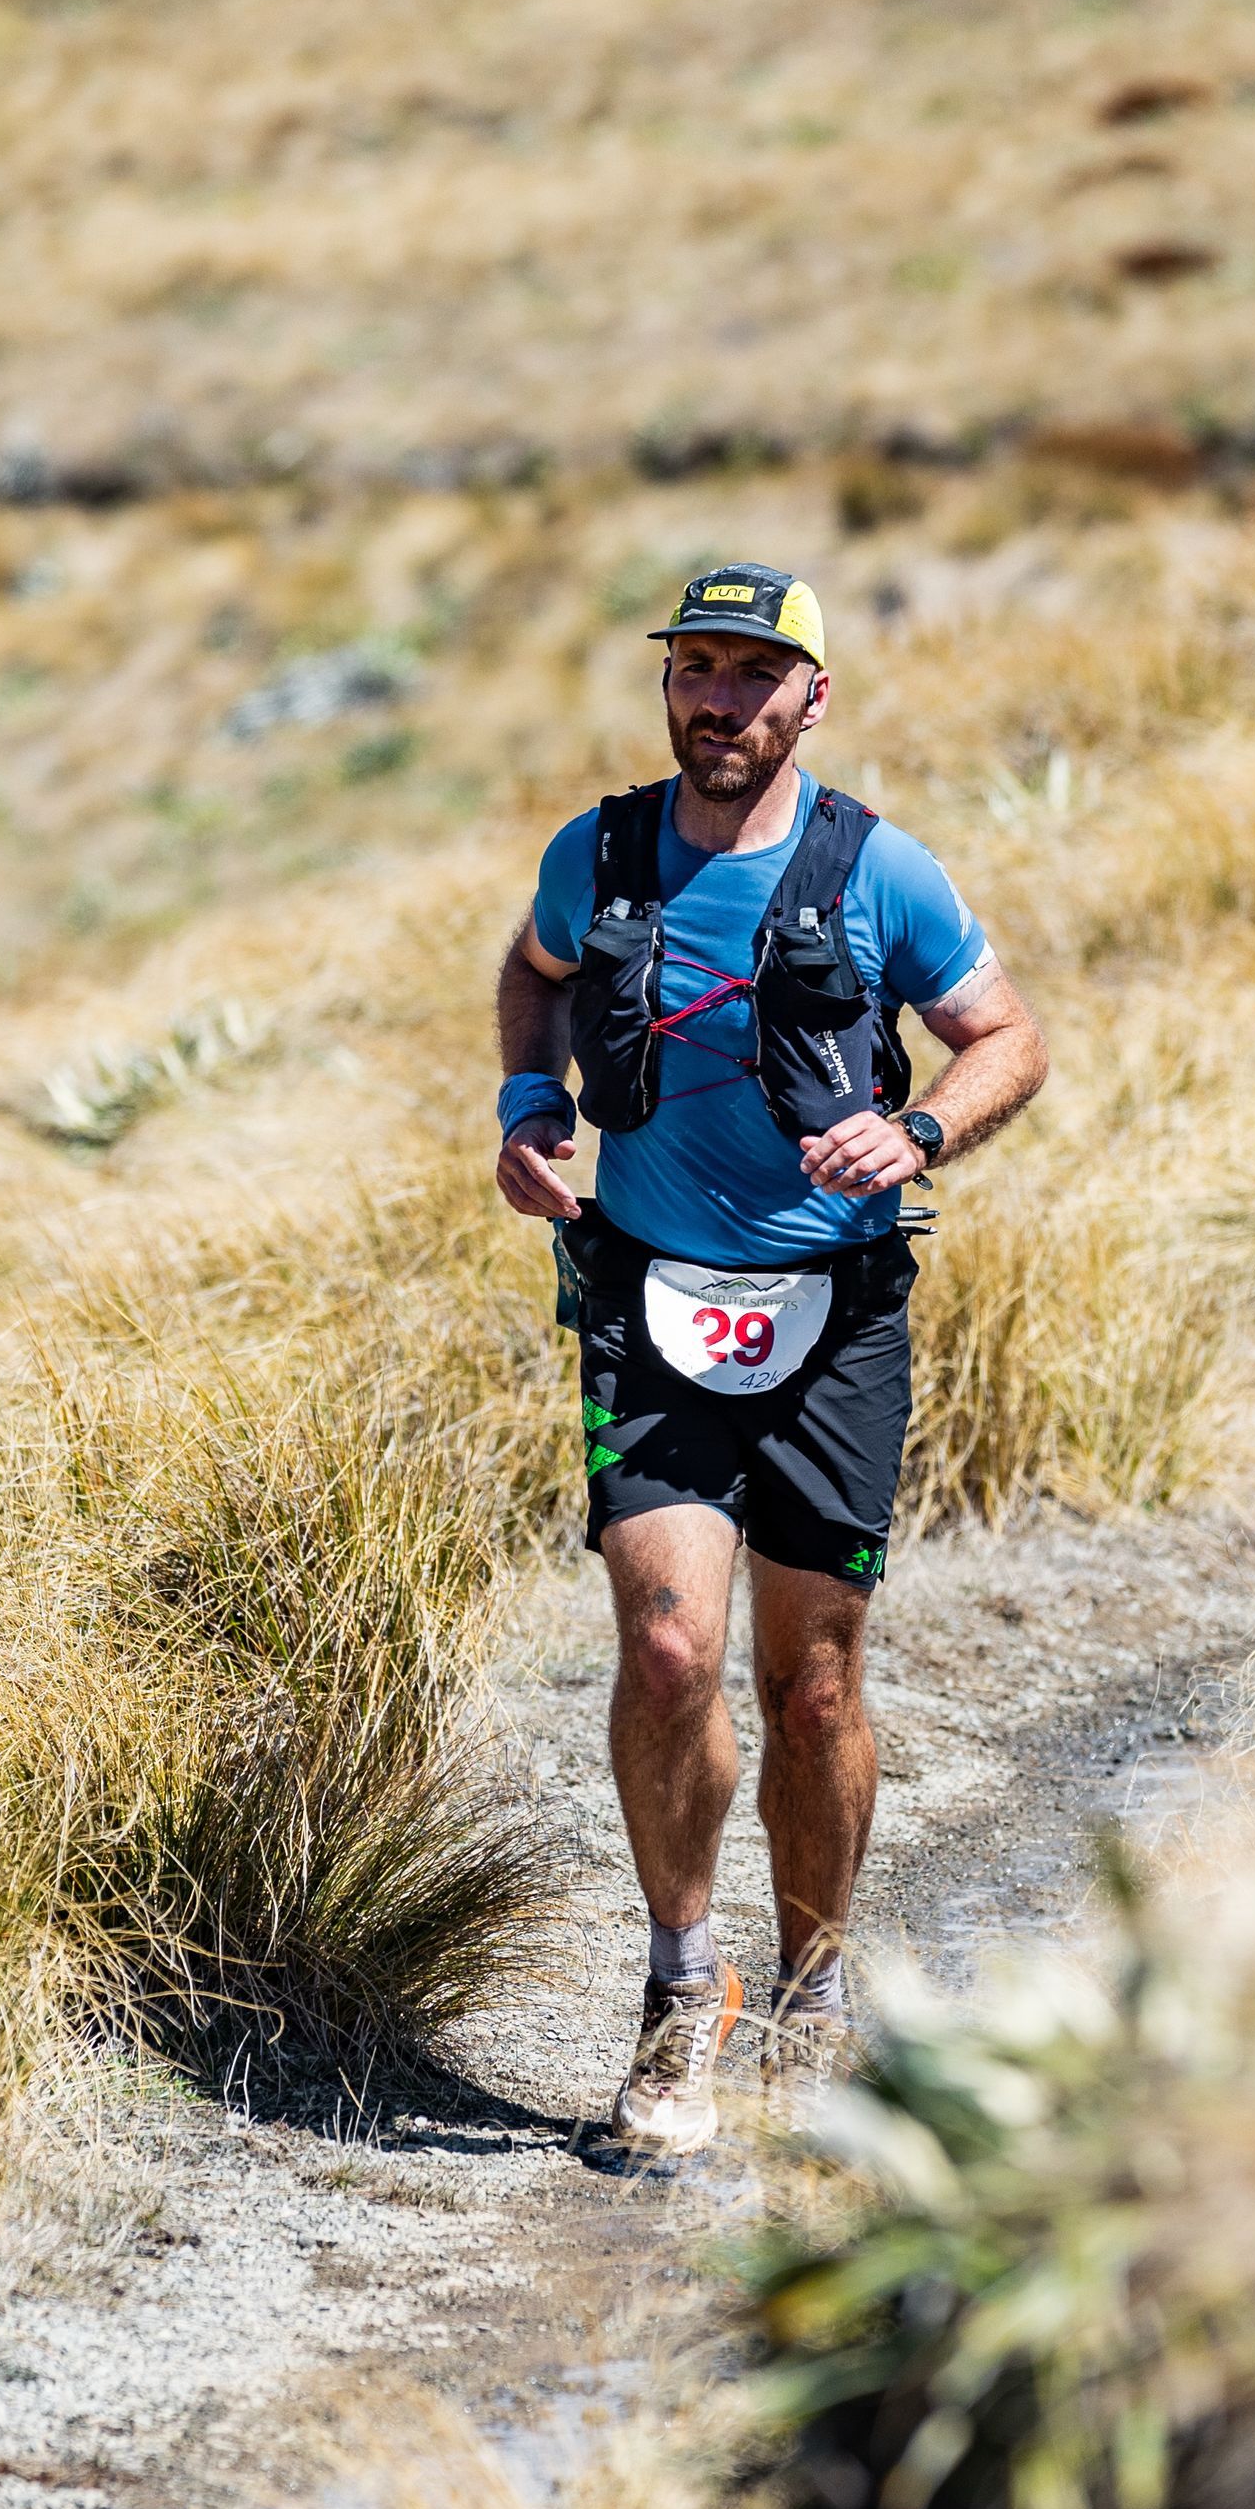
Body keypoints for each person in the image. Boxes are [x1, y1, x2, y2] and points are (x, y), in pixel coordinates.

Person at [494, 561, 1046, 2154]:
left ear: (814, 695)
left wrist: (923, 1123)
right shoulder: (595, 853)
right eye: (696, 669)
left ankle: (815, 1984)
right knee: (669, 1650)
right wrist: (529, 1110)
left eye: (754, 674)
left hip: (836, 1318)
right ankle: (683, 1994)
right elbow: (531, 983)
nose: (717, 700)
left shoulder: (880, 869)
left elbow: (1008, 1033)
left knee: (812, 1686)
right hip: (650, 1301)